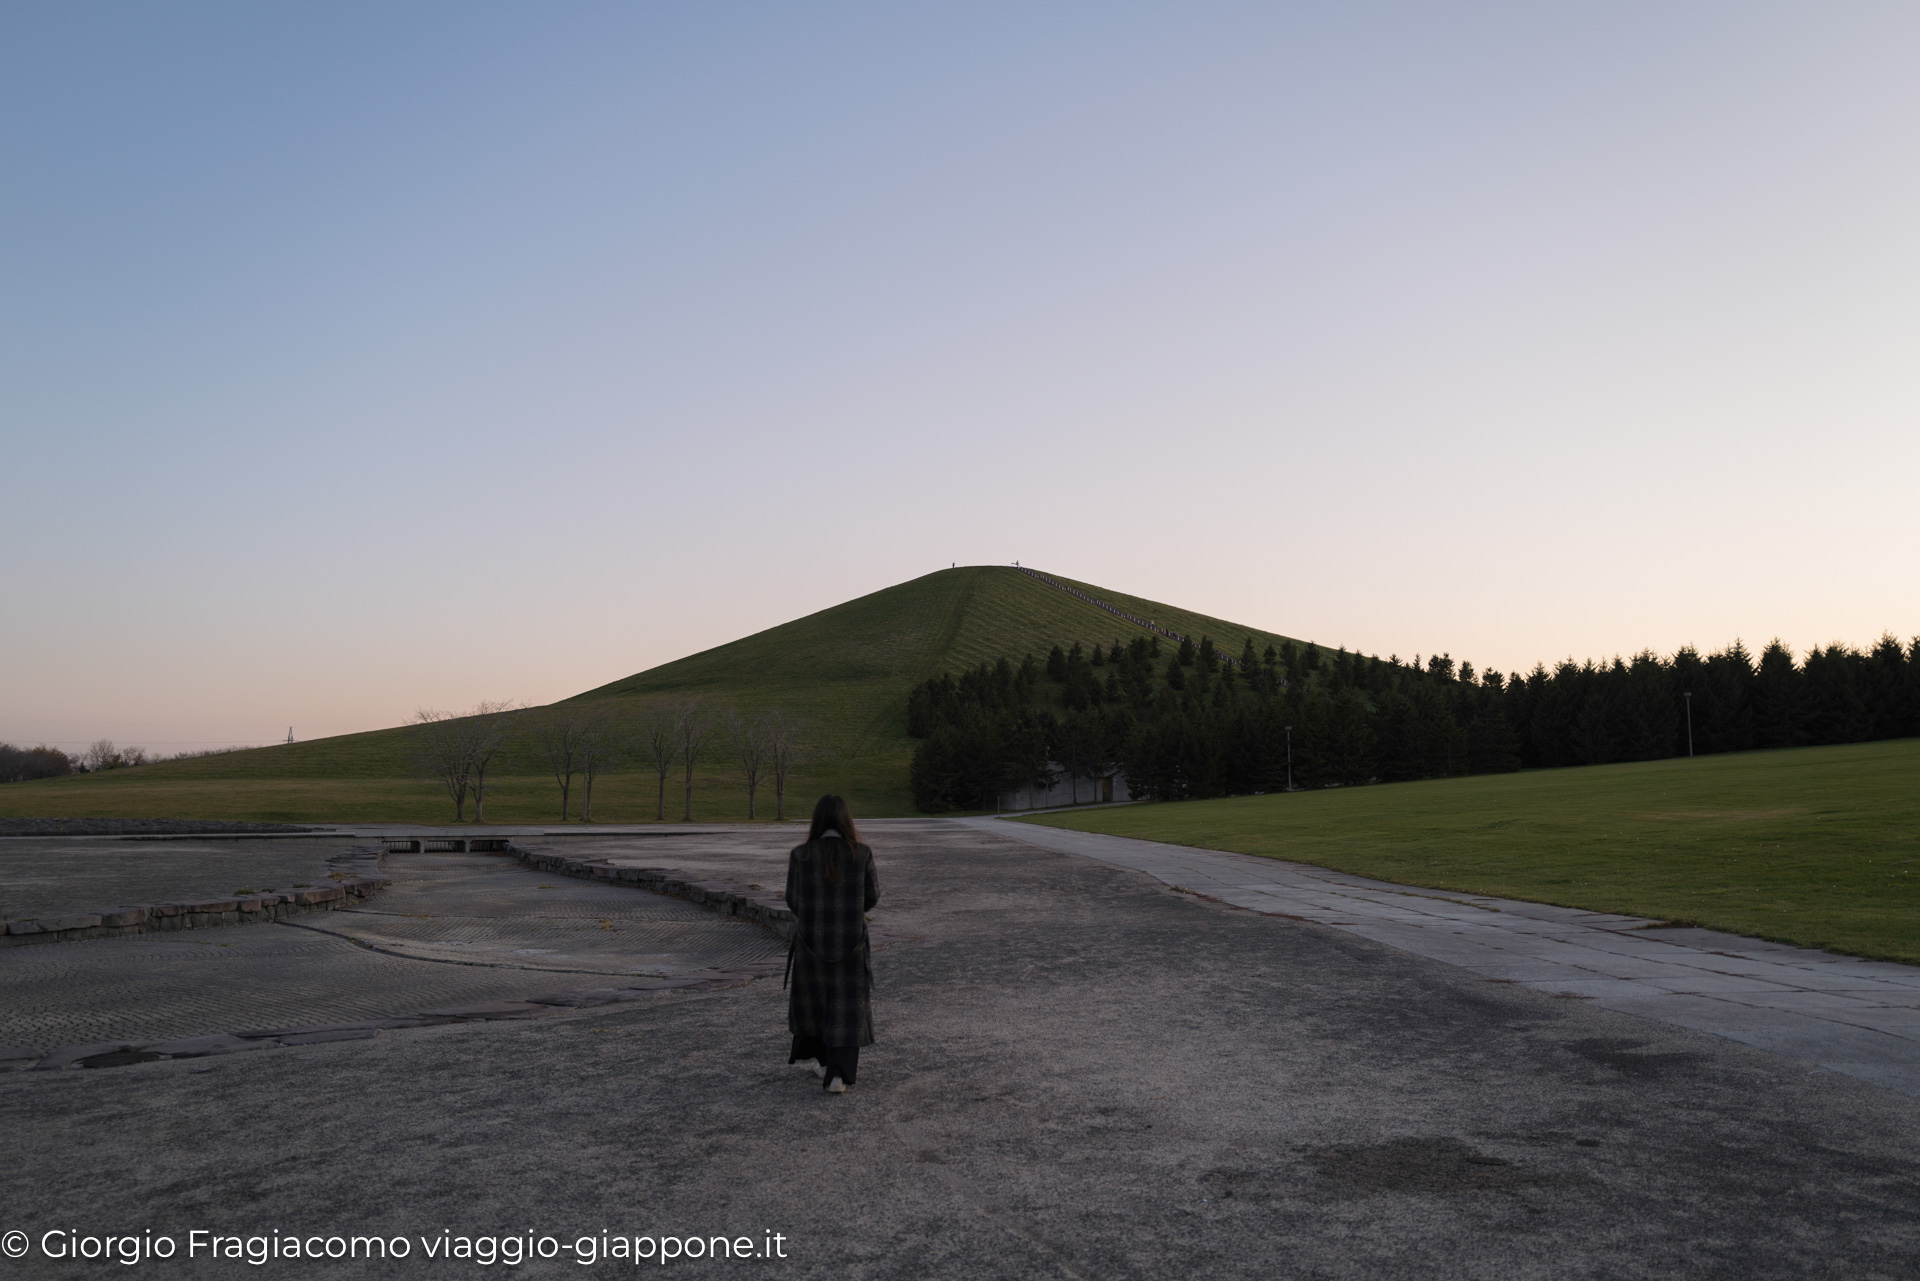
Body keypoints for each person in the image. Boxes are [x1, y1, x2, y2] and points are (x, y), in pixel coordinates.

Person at [785, 794, 879, 1094]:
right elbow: (872, 897)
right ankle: (837, 1074)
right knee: (846, 1008)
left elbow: (793, 900)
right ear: (846, 820)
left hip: (812, 944)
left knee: (816, 1005)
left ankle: (825, 1064)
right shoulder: (861, 854)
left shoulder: (800, 855)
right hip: (850, 945)